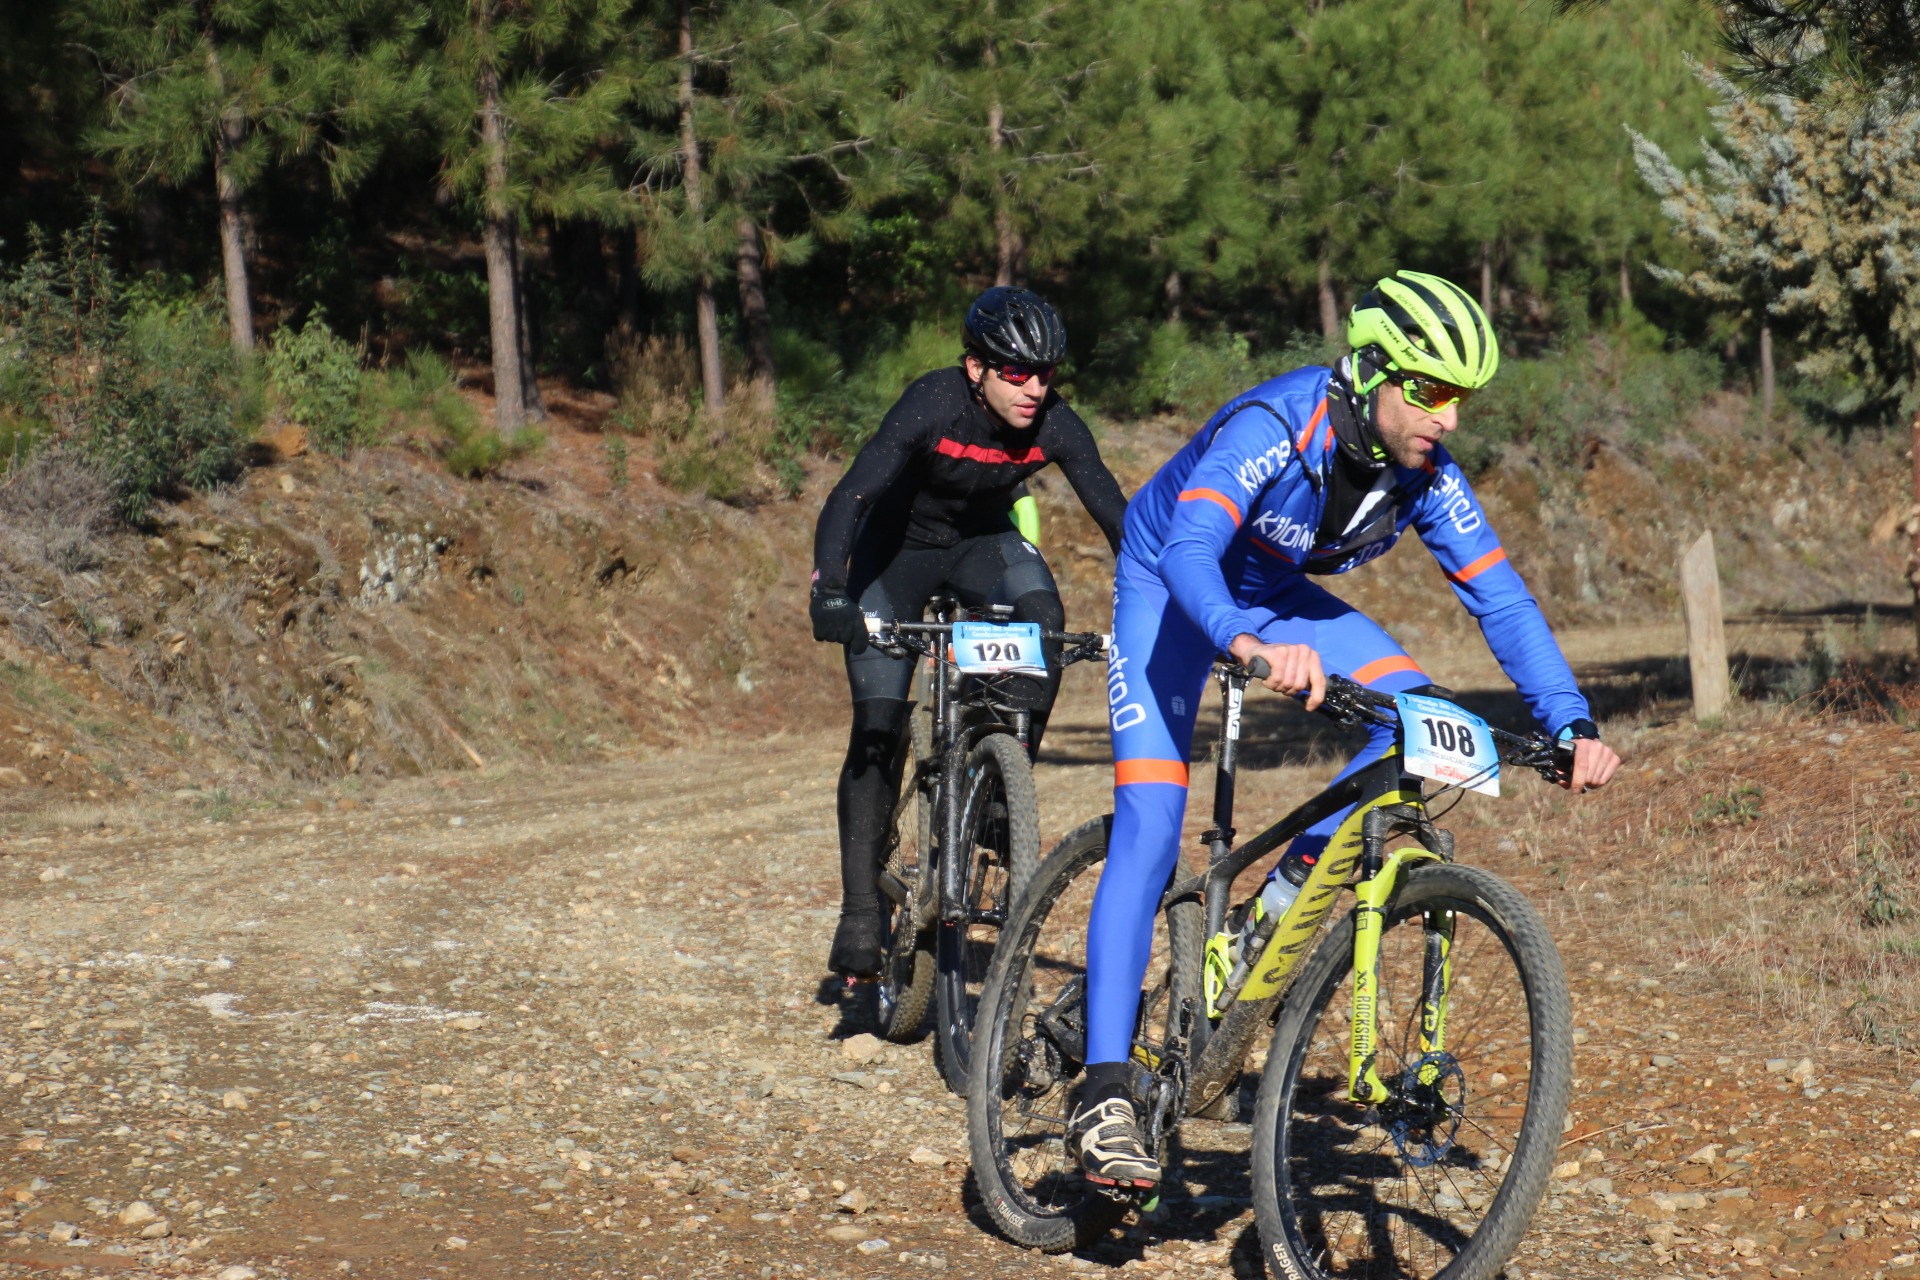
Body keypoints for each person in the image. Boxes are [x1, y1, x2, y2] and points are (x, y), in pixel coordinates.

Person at [1066, 270, 1624, 1189]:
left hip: (1270, 594)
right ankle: (1102, 1093)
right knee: (1153, 823)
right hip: (1170, 584)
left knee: (1419, 718)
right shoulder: (1276, 425)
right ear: (1369, 372)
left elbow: (1502, 598)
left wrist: (1570, 724)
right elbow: (1192, 546)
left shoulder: (1426, 473)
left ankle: (1279, 902)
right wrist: (1243, 641)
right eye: (1430, 390)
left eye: (1462, 397)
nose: (1449, 416)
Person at [809, 286, 1127, 978]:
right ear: (976, 368)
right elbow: (852, 495)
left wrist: (1159, 602)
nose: (1034, 388)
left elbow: (1115, 516)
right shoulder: (933, 402)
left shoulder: (1056, 422)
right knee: (878, 721)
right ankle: (860, 909)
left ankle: (998, 787)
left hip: (984, 548)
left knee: (1044, 620)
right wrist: (829, 586)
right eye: (1017, 372)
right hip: (894, 557)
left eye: (1046, 373)